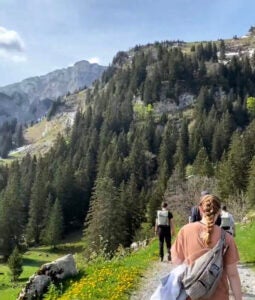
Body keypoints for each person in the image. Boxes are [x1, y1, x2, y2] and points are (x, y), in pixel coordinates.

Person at [171, 194, 242, 300]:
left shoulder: (185, 231)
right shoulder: (226, 238)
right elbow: (233, 275)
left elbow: (177, 262)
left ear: (200, 209)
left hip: (191, 295)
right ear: (219, 212)